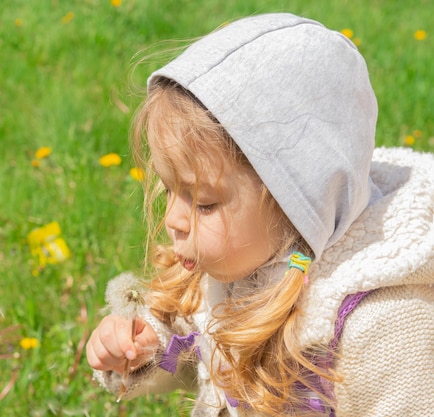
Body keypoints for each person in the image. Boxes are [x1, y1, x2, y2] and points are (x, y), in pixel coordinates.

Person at [85, 12, 434, 417]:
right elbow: (187, 357)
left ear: (294, 202)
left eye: (205, 203)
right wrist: (144, 350)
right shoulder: (234, 260)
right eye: (171, 191)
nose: (173, 221)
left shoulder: (383, 322)